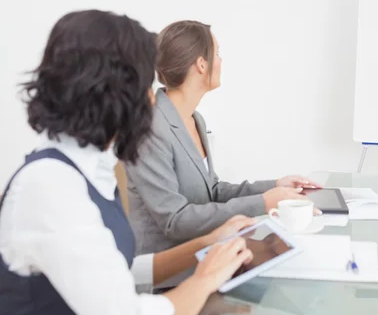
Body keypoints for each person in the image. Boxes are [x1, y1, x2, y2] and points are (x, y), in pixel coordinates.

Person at [0, 10, 257, 315]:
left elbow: (117, 270)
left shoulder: (89, 170)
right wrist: (205, 279)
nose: (152, 97)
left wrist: (208, 244)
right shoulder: (50, 185)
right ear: (112, 91)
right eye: (145, 84)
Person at [124, 20, 321, 288]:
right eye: (217, 53)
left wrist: (275, 187)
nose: (221, 60)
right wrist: (263, 203)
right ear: (201, 64)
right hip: (164, 280)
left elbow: (212, 191)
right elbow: (176, 220)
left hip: (204, 263)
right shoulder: (151, 128)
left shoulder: (195, 120)